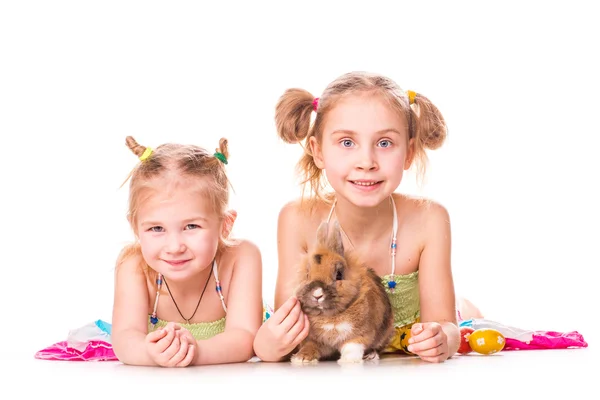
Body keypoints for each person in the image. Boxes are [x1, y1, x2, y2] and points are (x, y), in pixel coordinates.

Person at [253, 71, 483, 363]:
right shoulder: (297, 219)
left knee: (467, 315)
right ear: (318, 151)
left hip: (403, 356)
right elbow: (291, 328)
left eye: (384, 143)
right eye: (347, 143)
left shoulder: (429, 219)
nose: (367, 162)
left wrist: (443, 338)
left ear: (409, 153)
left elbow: (446, 326)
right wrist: (271, 345)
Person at [111, 136, 263, 367]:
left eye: (191, 226)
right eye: (156, 228)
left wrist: (195, 352)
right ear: (135, 227)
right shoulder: (133, 266)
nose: (174, 247)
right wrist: (149, 353)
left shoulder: (241, 258)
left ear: (225, 224)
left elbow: (244, 337)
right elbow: (125, 338)